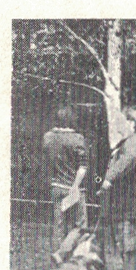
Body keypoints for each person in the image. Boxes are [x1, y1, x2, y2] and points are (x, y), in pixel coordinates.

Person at [99, 107, 136, 270]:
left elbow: (125, 163)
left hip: (132, 203)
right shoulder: (128, 142)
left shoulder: (133, 144)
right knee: (126, 240)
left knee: (130, 242)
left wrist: (108, 179)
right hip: (128, 203)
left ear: (132, 123)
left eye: (121, 121)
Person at [42, 106, 88, 262]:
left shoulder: (48, 137)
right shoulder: (78, 139)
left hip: (56, 186)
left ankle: (58, 260)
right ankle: (64, 255)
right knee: (80, 226)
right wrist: (75, 186)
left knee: (58, 225)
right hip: (73, 187)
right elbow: (83, 167)